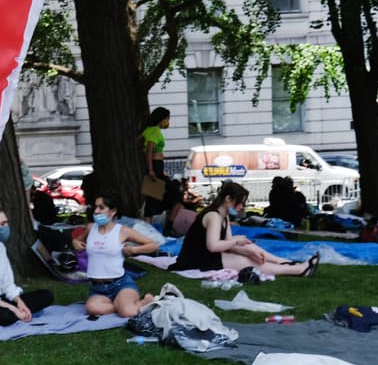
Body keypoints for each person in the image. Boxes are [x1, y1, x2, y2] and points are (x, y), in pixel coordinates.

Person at [170, 181, 318, 277]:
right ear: (228, 199)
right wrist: (238, 243)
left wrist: (248, 249)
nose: (241, 207)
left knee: (248, 247)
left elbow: (226, 243)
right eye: (240, 203)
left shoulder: (224, 215)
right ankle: (297, 270)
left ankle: (285, 262)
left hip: (208, 255)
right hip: (197, 259)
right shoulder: (213, 216)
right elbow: (214, 245)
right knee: (247, 261)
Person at [72, 194, 158, 317]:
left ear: (113, 211)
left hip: (120, 284)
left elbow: (153, 245)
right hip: (97, 288)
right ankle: (121, 305)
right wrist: (75, 242)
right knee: (92, 308)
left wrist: (134, 250)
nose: (96, 211)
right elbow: (77, 240)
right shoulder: (91, 228)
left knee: (129, 313)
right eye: (96, 207)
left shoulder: (123, 231)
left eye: (101, 208)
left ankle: (145, 300)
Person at [142, 107, 171, 221]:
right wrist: (151, 170)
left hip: (157, 166)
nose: (168, 121)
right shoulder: (154, 130)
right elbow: (149, 151)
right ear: (162, 118)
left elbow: (138, 141)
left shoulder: (149, 130)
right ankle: (168, 226)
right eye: (168, 118)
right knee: (171, 194)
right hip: (155, 166)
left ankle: (150, 226)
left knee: (152, 198)